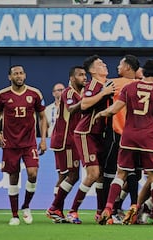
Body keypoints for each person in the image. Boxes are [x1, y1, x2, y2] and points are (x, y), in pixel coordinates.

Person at [96, 59, 153, 226]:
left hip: (129, 136)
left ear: (143, 72)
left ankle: (108, 209)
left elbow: (115, 109)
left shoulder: (129, 88)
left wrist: (101, 114)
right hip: (149, 138)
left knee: (121, 174)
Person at [53, 55, 114, 224]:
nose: (105, 65)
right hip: (85, 133)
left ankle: (100, 212)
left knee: (100, 175)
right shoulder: (93, 85)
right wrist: (103, 93)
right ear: (93, 70)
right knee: (90, 174)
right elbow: (85, 105)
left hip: (99, 134)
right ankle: (72, 211)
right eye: (100, 64)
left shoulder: (106, 84)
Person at [0, 65, 47, 226]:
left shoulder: (34, 94)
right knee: (13, 178)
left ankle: (26, 206)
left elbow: (43, 117)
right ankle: (15, 215)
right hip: (10, 143)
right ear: (10, 77)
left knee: (33, 174)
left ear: (25, 75)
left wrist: (43, 139)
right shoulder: (2, 95)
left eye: (21, 73)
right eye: (15, 74)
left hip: (29, 143)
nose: (19, 76)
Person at [101, 54, 141, 225]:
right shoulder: (144, 85)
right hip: (139, 136)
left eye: (120, 64)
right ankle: (130, 209)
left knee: (111, 173)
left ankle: (107, 210)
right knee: (133, 174)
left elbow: (99, 92)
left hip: (117, 134)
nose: (118, 67)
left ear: (128, 68)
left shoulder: (115, 83)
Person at [45, 66, 87, 223]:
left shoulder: (79, 93)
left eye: (85, 74)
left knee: (65, 175)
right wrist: (87, 100)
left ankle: (57, 210)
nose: (84, 77)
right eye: (80, 75)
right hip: (65, 140)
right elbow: (71, 108)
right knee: (71, 175)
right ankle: (55, 208)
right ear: (72, 78)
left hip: (70, 139)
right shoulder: (68, 92)